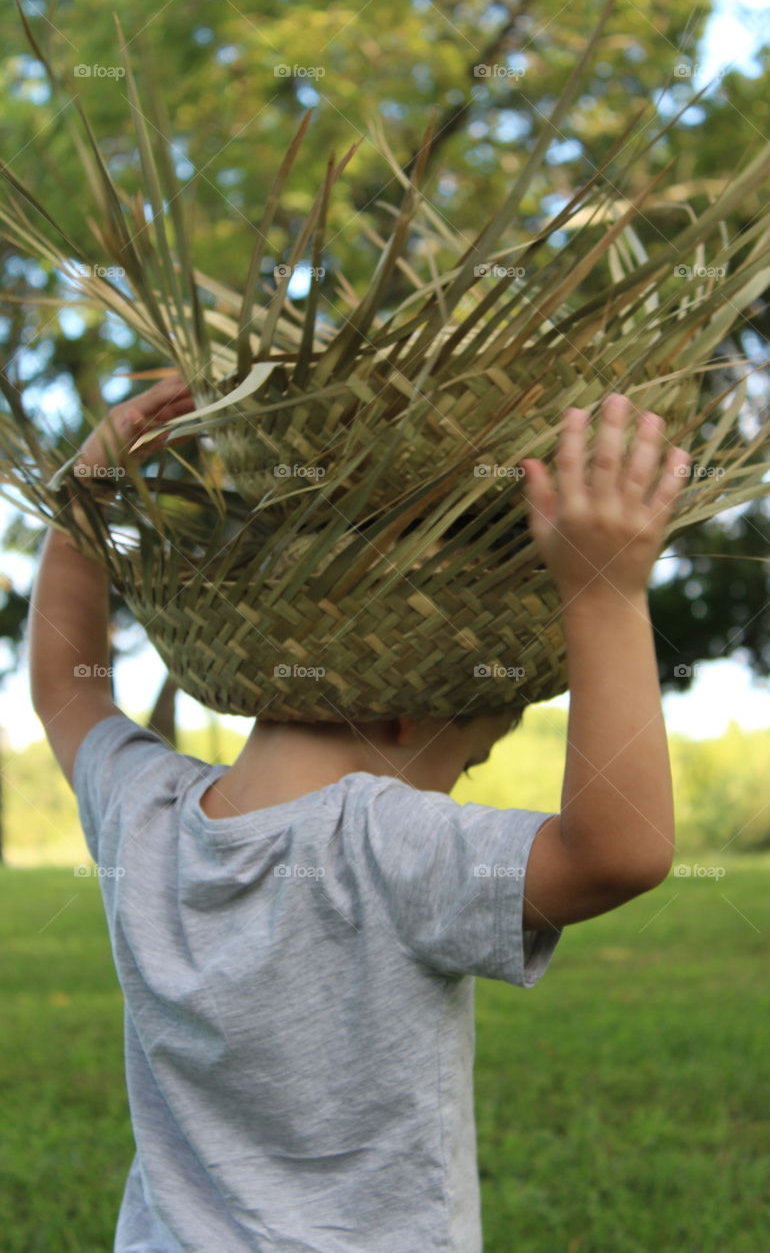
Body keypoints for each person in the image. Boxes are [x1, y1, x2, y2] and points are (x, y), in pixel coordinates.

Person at [29, 380, 690, 1253]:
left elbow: (62, 689)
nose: (454, 791)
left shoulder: (143, 811)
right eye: (469, 759)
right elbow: (618, 853)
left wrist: (85, 502)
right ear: (403, 713)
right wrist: (605, 594)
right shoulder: (384, 845)